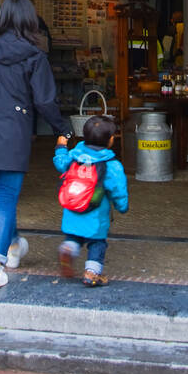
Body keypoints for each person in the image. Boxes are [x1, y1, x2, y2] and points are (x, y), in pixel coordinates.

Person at [0, 0, 72, 289]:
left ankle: (13, 245)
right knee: (4, 201)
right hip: (12, 136)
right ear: (30, 21)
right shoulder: (34, 56)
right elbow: (45, 100)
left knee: (4, 195)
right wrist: (62, 128)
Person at [53, 115, 128, 287]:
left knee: (74, 236)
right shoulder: (111, 165)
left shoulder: (74, 155)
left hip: (72, 209)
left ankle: (68, 249)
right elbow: (118, 190)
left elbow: (60, 163)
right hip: (96, 214)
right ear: (110, 140)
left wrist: (61, 147)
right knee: (97, 243)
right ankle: (92, 273)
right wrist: (122, 207)